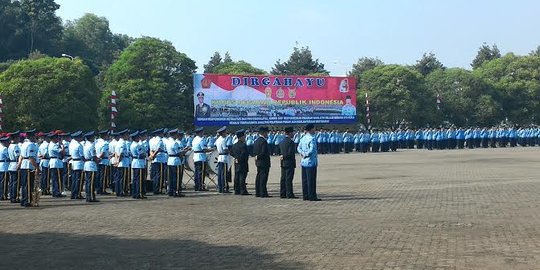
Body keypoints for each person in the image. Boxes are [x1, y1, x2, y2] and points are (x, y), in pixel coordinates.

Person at [297, 124, 320, 201]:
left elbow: (298, 148)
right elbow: (312, 150)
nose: (315, 130)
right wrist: (306, 154)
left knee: (305, 180)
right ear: (311, 130)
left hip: (303, 161)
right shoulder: (312, 138)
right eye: (314, 129)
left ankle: (305, 195)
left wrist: (302, 153)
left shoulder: (303, 138)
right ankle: (312, 196)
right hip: (311, 161)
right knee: (311, 180)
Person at [19, 129, 40, 207]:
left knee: (25, 184)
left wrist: (19, 164)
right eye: (34, 136)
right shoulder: (30, 145)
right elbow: (31, 158)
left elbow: (21, 156)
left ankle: (24, 200)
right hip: (28, 166)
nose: (35, 137)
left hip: (24, 165)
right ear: (31, 136)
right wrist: (37, 167)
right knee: (28, 185)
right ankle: (27, 200)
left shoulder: (24, 144)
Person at [279, 127, 298, 199]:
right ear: (290, 133)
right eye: (292, 132)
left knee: (283, 178)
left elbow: (279, 152)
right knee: (289, 179)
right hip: (289, 162)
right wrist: (285, 157)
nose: (293, 134)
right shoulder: (291, 142)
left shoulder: (282, 141)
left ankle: (282, 193)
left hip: (283, 162)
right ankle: (289, 193)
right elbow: (290, 153)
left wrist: (282, 157)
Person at [253, 126, 271, 198]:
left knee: (258, 177)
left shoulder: (256, 141)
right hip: (264, 162)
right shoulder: (263, 141)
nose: (267, 134)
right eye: (267, 132)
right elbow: (263, 152)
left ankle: (258, 192)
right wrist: (258, 156)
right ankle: (263, 192)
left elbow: (254, 151)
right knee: (263, 178)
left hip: (258, 162)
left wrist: (256, 157)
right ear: (263, 133)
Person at [231, 130, 250, 195]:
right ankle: (243, 190)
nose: (245, 137)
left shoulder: (234, 145)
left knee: (236, 176)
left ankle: (236, 190)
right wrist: (239, 159)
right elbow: (244, 154)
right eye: (244, 136)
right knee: (242, 177)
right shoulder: (243, 145)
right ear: (241, 137)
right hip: (242, 162)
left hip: (236, 162)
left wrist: (236, 158)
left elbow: (232, 153)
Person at [149, 128, 167, 194]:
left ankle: (155, 188)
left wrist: (151, 156)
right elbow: (158, 149)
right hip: (160, 158)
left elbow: (151, 150)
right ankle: (158, 189)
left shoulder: (151, 140)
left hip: (154, 159)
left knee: (155, 175)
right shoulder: (160, 140)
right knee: (160, 175)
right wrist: (153, 155)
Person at [47, 131, 65, 198]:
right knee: (58, 178)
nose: (58, 139)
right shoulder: (53, 145)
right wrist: (62, 145)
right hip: (56, 162)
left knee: (56, 178)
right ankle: (57, 192)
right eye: (57, 138)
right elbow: (62, 152)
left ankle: (56, 191)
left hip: (56, 161)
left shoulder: (52, 144)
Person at [83, 131, 100, 202]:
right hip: (91, 165)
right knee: (91, 182)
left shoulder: (85, 145)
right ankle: (91, 197)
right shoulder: (91, 145)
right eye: (93, 137)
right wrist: (98, 161)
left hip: (87, 164)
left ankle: (88, 196)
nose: (94, 138)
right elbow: (94, 156)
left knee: (88, 182)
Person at [130, 131, 147, 199]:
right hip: (139, 163)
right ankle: (139, 193)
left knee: (135, 179)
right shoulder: (137, 145)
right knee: (139, 180)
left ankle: (134, 193)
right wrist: (145, 154)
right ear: (136, 138)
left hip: (135, 162)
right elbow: (141, 154)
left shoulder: (132, 144)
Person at [69, 131, 85, 200]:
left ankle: (73, 193)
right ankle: (77, 194)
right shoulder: (79, 145)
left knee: (74, 179)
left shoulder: (71, 144)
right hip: (79, 163)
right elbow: (82, 156)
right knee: (79, 180)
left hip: (73, 162)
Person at [215, 126, 230, 193]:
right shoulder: (223, 140)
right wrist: (230, 151)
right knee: (224, 174)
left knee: (220, 174)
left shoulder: (217, 140)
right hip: (224, 157)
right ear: (223, 133)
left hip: (220, 157)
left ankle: (220, 187)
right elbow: (225, 149)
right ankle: (224, 187)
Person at [0, 135, 10, 200]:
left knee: (1, 181)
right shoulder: (4, 148)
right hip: (4, 166)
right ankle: (3, 195)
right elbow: (8, 157)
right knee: (4, 182)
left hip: (1, 165)